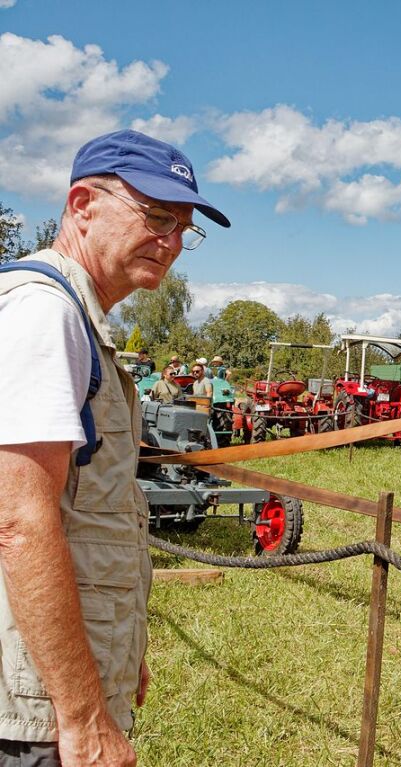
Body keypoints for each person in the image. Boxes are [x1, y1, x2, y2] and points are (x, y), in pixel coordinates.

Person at [0, 128, 229, 766]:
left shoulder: (74, 317)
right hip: (31, 716)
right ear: (81, 205)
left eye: (186, 227)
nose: (174, 241)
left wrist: (119, 651)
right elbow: (18, 523)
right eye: (156, 216)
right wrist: (80, 715)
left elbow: (84, 518)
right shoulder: (46, 315)